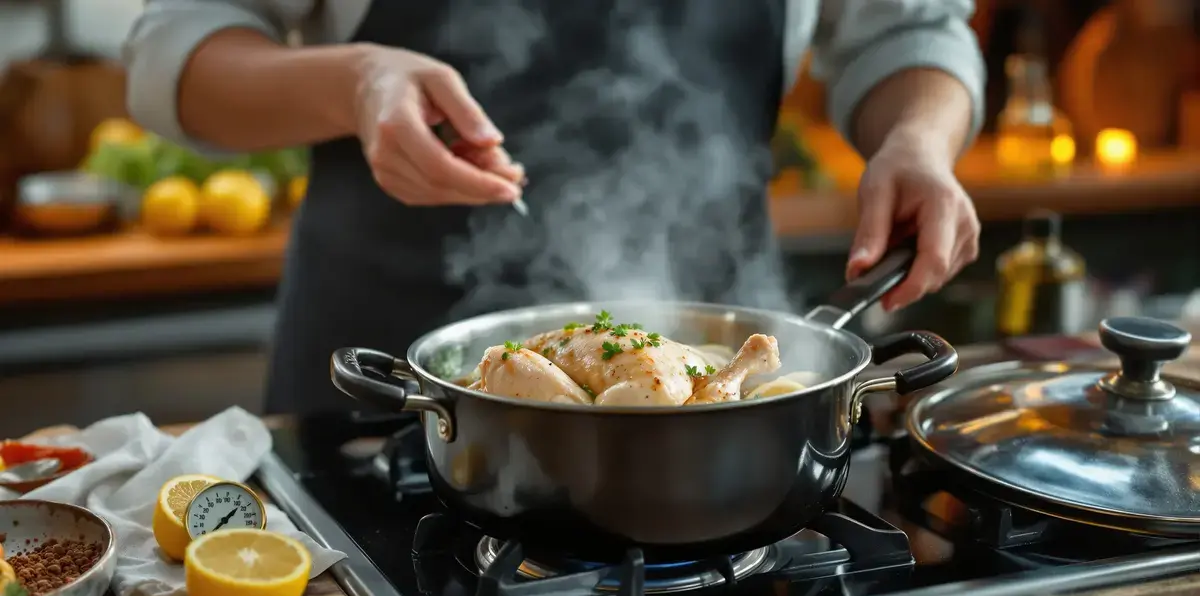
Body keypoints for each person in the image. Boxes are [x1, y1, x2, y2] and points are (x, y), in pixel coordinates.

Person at [124, 0, 985, 416]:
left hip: (720, 367)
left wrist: (917, 137)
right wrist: (354, 83)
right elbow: (178, 51)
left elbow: (910, 31)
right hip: (384, 377)